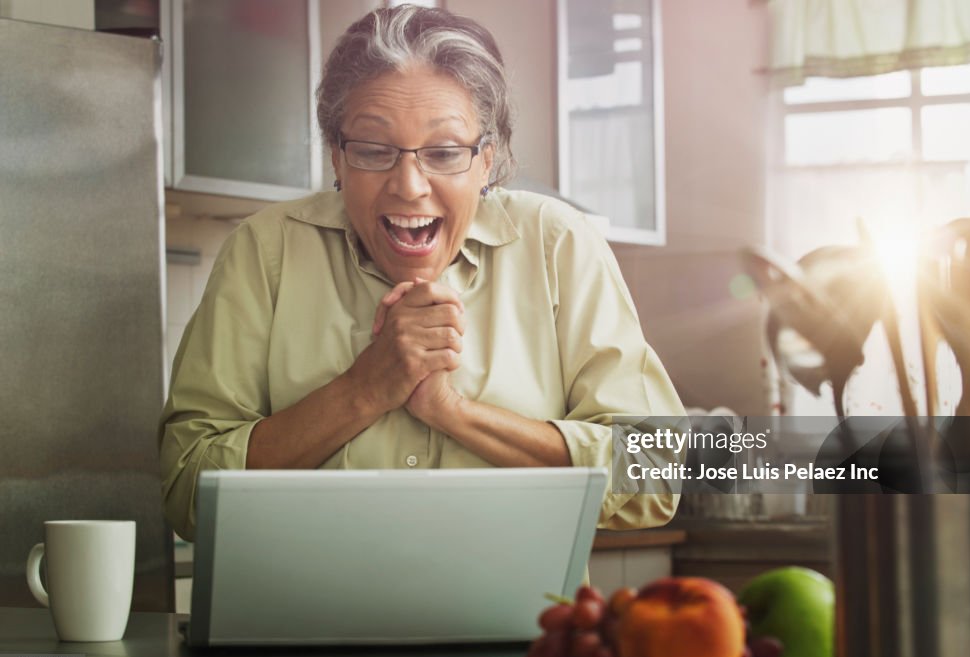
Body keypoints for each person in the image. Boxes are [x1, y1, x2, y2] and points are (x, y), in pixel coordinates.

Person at [159, 4, 685, 541]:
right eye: (372, 150)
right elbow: (185, 491)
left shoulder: (558, 245)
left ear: (488, 159)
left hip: (526, 626)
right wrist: (364, 389)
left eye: (444, 152)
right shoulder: (265, 250)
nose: (409, 185)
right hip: (305, 627)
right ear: (337, 158)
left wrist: (452, 412)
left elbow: (661, 472)